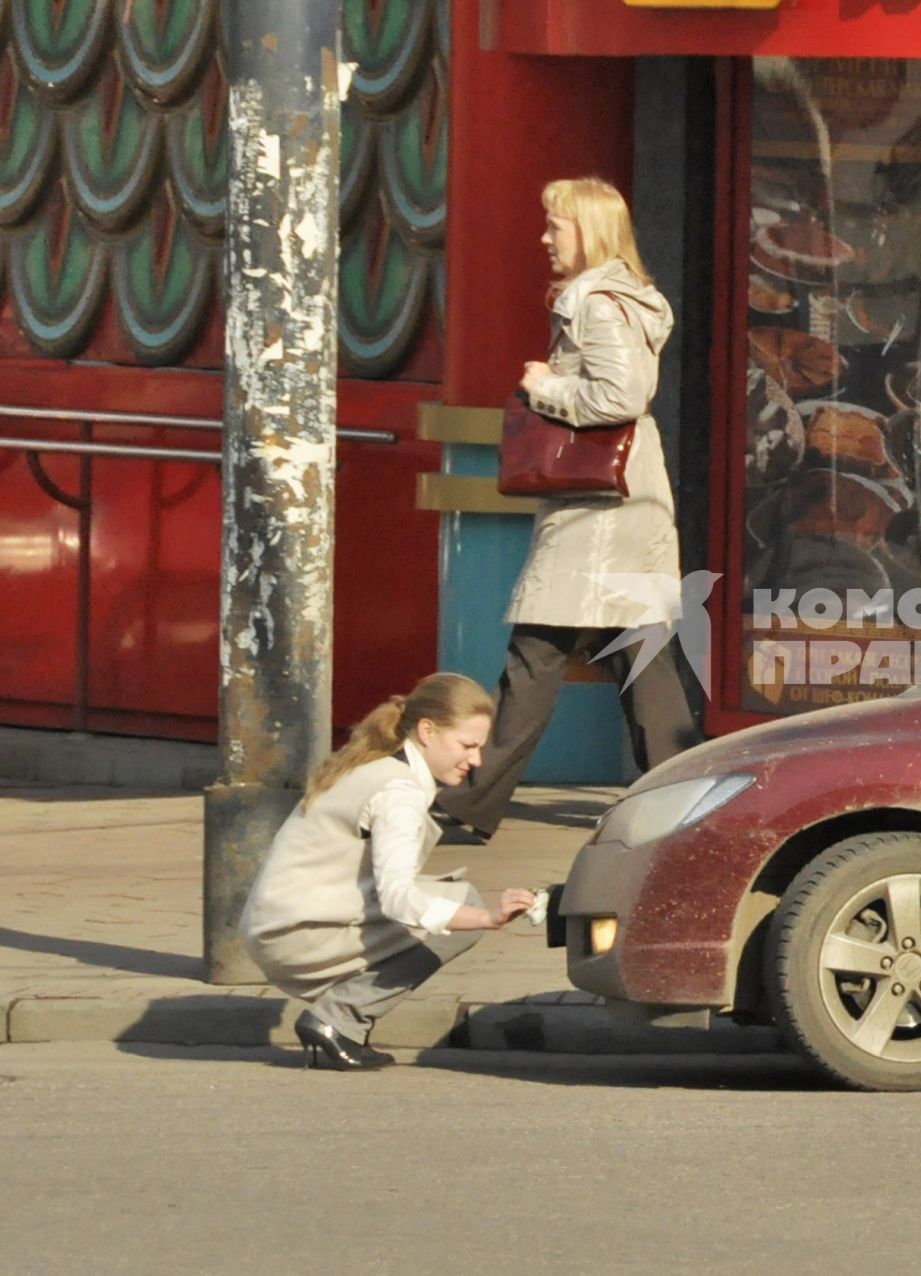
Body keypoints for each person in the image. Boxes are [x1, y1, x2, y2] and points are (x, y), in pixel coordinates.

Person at [435, 176, 701, 841]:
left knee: (538, 653)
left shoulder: (597, 303)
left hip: (597, 512)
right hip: (625, 505)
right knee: (639, 656)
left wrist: (545, 386)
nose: (545, 237)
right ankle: (685, 801)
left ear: (591, 231)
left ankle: (470, 802)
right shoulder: (626, 299)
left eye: (557, 226)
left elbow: (619, 396)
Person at [241, 673, 538, 1070]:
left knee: (449, 901)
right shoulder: (399, 791)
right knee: (462, 906)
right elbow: (398, 899)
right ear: (427, 730)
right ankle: (340, 1019)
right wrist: (487, 919)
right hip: (294, 935)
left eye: (480, 747)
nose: (476, 760)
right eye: (467, 745)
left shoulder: (376, 765)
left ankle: (341, 1016)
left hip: (278, 924)